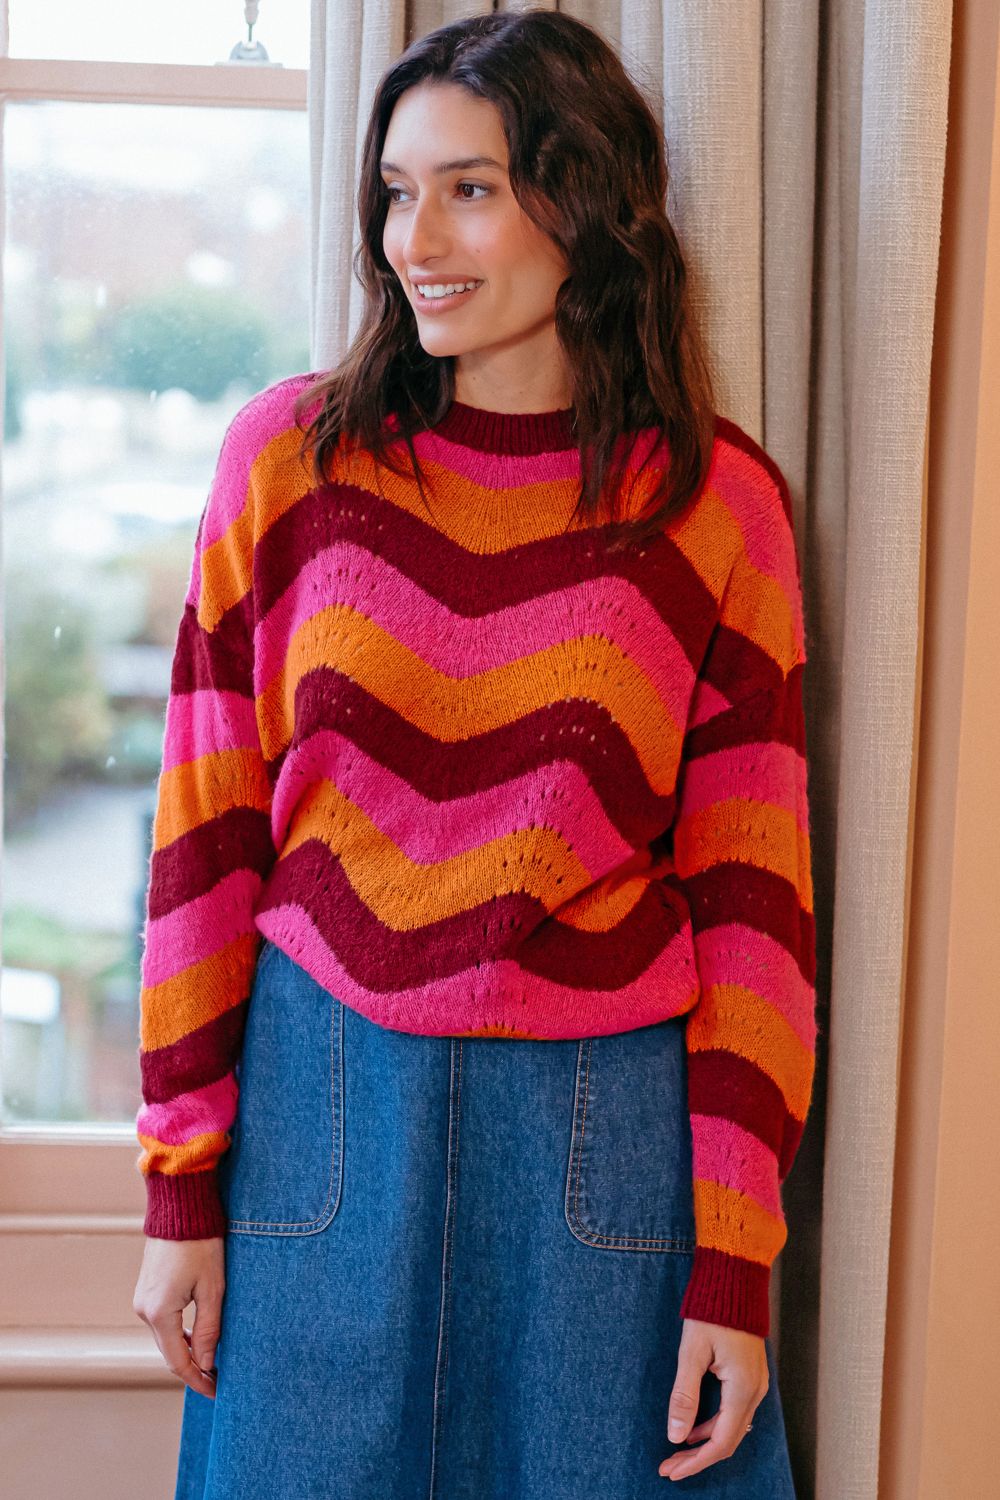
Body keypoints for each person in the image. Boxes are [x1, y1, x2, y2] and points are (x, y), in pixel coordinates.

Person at [131, 10, 816, 1497]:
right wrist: (178, 1186)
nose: (413, 238)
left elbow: (755, 908)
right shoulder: (289, 464)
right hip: (319, 1120)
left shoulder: (712, 503)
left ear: (585, 201)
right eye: (394, 189)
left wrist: (738, 1262)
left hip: (600, 1152)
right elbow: (203, 833)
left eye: (471, 188)